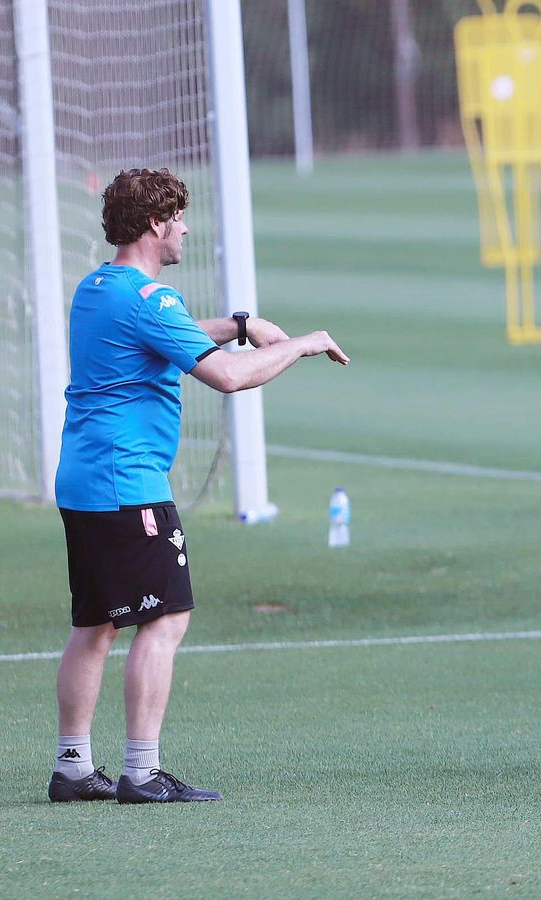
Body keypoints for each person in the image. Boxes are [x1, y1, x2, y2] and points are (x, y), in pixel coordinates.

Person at [47, 168, 349, 803]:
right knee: (166, 617)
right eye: (178, 218)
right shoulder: (150, 300)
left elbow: (169, 332)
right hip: (129, 485)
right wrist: (302, 344)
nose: (184, 228)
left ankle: (72, 767)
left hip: (84, 480)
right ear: (155, 225)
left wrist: (240, 323)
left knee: (95, 624)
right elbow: (230, 378)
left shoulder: (97, 288)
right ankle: (142, 771)